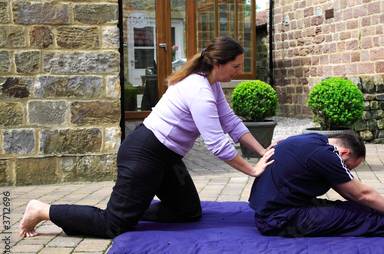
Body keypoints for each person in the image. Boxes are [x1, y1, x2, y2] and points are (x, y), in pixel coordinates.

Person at [20, 36, 275, 238]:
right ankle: (43, 210)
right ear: (217, 65)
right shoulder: (199, 91)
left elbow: (231, 122)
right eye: (235, 66)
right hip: (145, 153)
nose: (238, 71)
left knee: (187, 211)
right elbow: (218, 145)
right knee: (114, 224)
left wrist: (263, 152)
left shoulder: (211, 84)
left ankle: (132, 206)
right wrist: (252, 171)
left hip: (167, 156)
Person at [249, 133, 384, 238]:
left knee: (356, 209)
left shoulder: (312, 140)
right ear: (343, 153)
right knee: (363, 217)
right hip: (278, 221)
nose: (346, 172)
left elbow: (350, 194)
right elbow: (362, 194)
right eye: (348, 167)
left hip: (273, 211)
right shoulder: (326, 155)